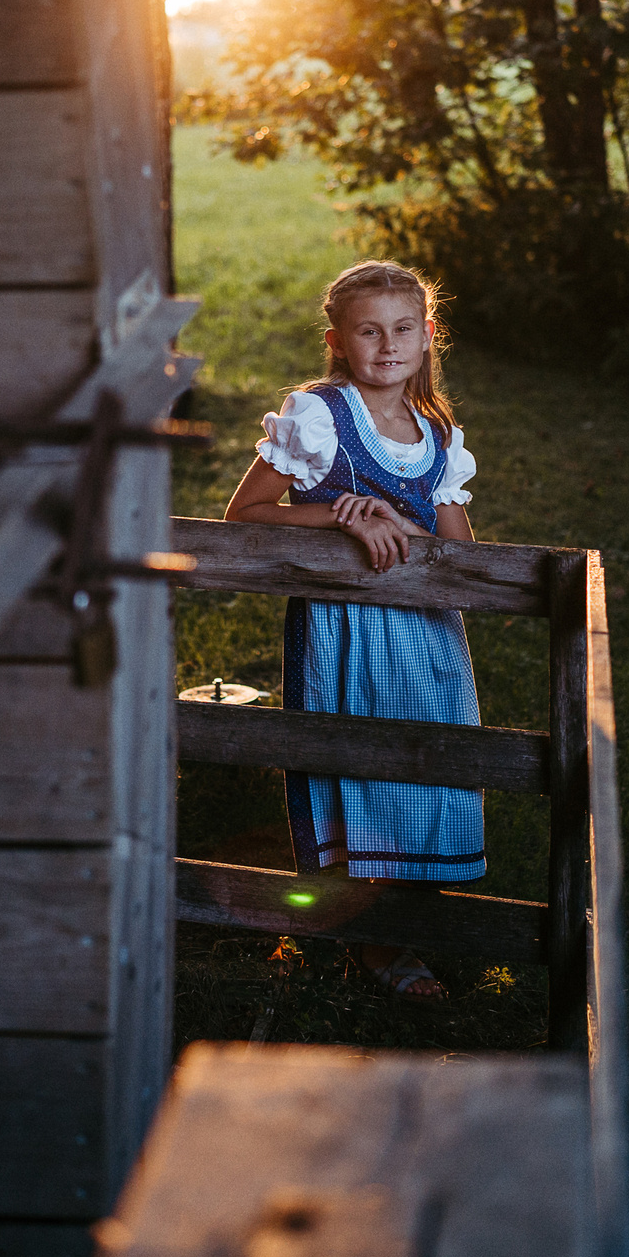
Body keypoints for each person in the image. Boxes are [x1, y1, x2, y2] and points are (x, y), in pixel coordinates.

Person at [221, 259, 482, 1002]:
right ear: (339, 339)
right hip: (346, 632)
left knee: (427, 771)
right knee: (359, 770)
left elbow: (462, 556)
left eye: (404, 328)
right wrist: (343, 512)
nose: (388, 344)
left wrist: (418, 525)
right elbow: (245, 516)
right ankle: (370, 943)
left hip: (429, 638)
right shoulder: (318, 416)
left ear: (428, 335)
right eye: (369, 330)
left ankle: (415, 925)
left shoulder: (438, 430)